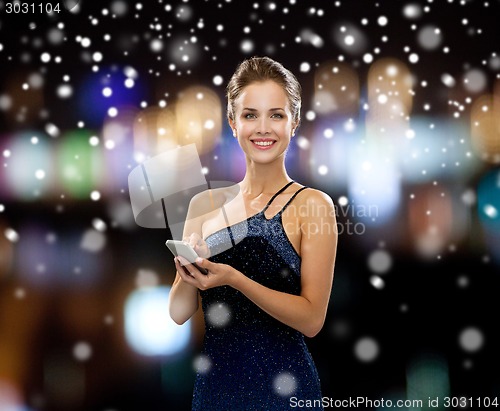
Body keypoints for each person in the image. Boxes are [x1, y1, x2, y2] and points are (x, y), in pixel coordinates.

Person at [168, 56, 337, 410]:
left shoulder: (312, 204)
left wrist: (234, 279)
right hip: (216, 389)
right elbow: (178, 311)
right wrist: (188, 271)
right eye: (250, 115)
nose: (263, 127)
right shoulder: (204, 204)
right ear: (233, 123)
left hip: (285, 390)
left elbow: (311, 319)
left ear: (294, 123)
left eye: (276, 114)